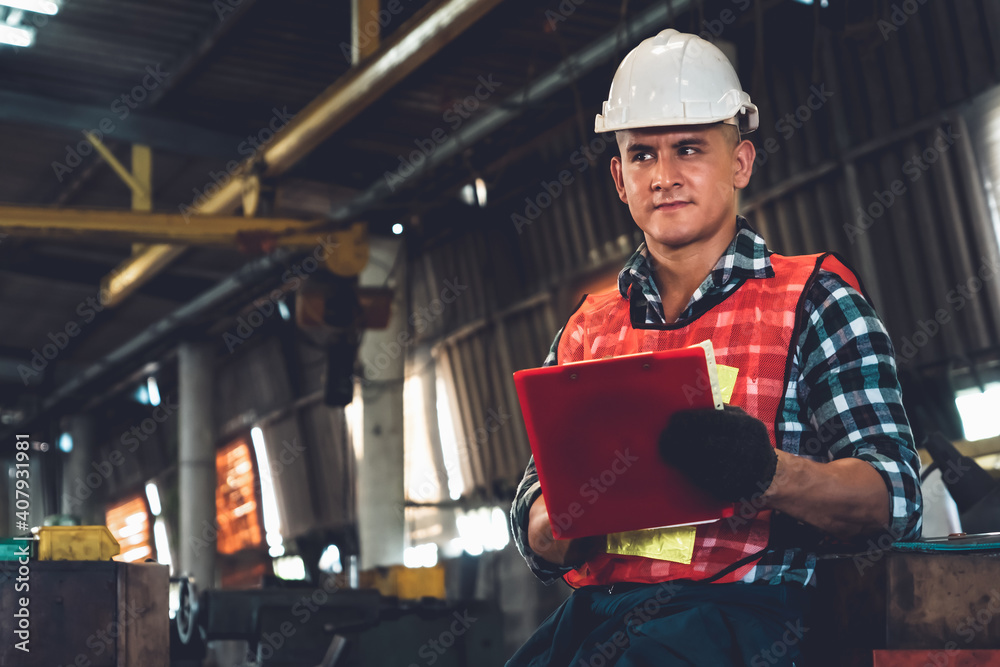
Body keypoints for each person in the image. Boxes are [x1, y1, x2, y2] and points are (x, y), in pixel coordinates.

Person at [508, 29, 922, 666]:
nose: (665, 176)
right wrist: (565, 519)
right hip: (597, 618)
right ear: (618, 178)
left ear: (741, 163)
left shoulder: (815, 301)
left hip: (752, 619)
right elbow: (534, 518)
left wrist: (769, 473)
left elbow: (894, 498)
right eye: (642, 155)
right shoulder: (586, 331)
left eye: (689, 149)